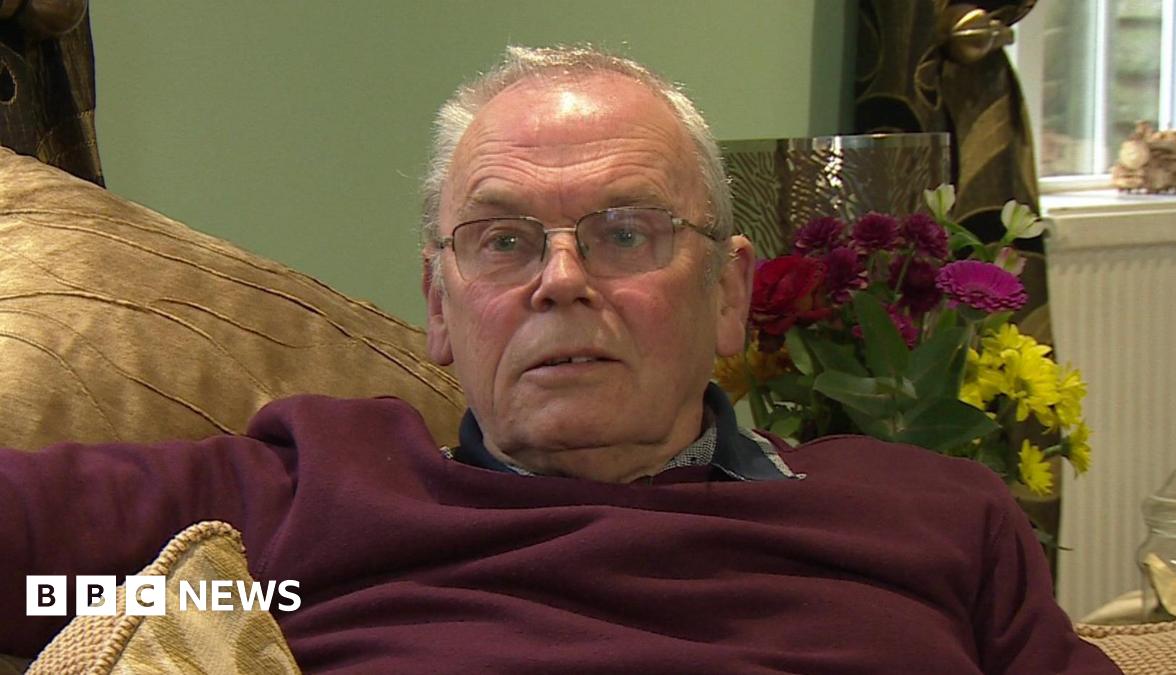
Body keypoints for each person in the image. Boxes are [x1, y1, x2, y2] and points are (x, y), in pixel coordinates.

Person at [0, 46, 1118, 673]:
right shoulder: (297, 498)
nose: (563, 279)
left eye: (626, 231)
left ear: (728, 293)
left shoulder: (931, 514)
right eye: (503, 241)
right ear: (442, 308)